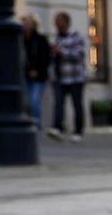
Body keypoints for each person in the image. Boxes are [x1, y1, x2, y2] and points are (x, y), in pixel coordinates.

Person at [47, 11, 87, 142]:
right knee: (58, 103)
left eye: (58, 21)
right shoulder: (57, 37)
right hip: (60, 77)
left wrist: (62, 52)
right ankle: (58, 128)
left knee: (77, 104)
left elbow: (79, 54)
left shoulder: (76, 36)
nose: (56, 24)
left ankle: (78, 131)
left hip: (75, 77)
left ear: (66, 22)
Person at [22, 13, 51, 129]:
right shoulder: (20, 40)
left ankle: (36, 124)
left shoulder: (40, 39)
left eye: (27, 23)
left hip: (39, 76)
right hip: (25, 75)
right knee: (26, 101)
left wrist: (37, 70)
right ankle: (28, 123)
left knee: (34, 100)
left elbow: (46, 58)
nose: (25, 26)